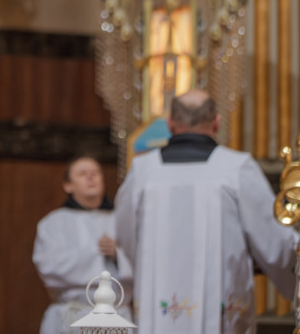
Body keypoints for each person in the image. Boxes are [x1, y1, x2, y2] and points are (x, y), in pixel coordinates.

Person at [114, 89, 298, 333]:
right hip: (220, 314)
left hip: (157, 314)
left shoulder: (142, 171)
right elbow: (274, 241)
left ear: (170, 123)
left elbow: (126, 239)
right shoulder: (236, 168)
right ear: (217, 122)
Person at [33, 155, 133, 333]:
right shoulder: (53, 223)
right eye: (82, 173)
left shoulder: (121, 220)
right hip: (72, 315)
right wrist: (95, 253)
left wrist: (117, 256)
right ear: (68, 185)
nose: (91, 177)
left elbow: (142, 265)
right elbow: (49, 268)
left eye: (95, 173)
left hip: (116, 316)